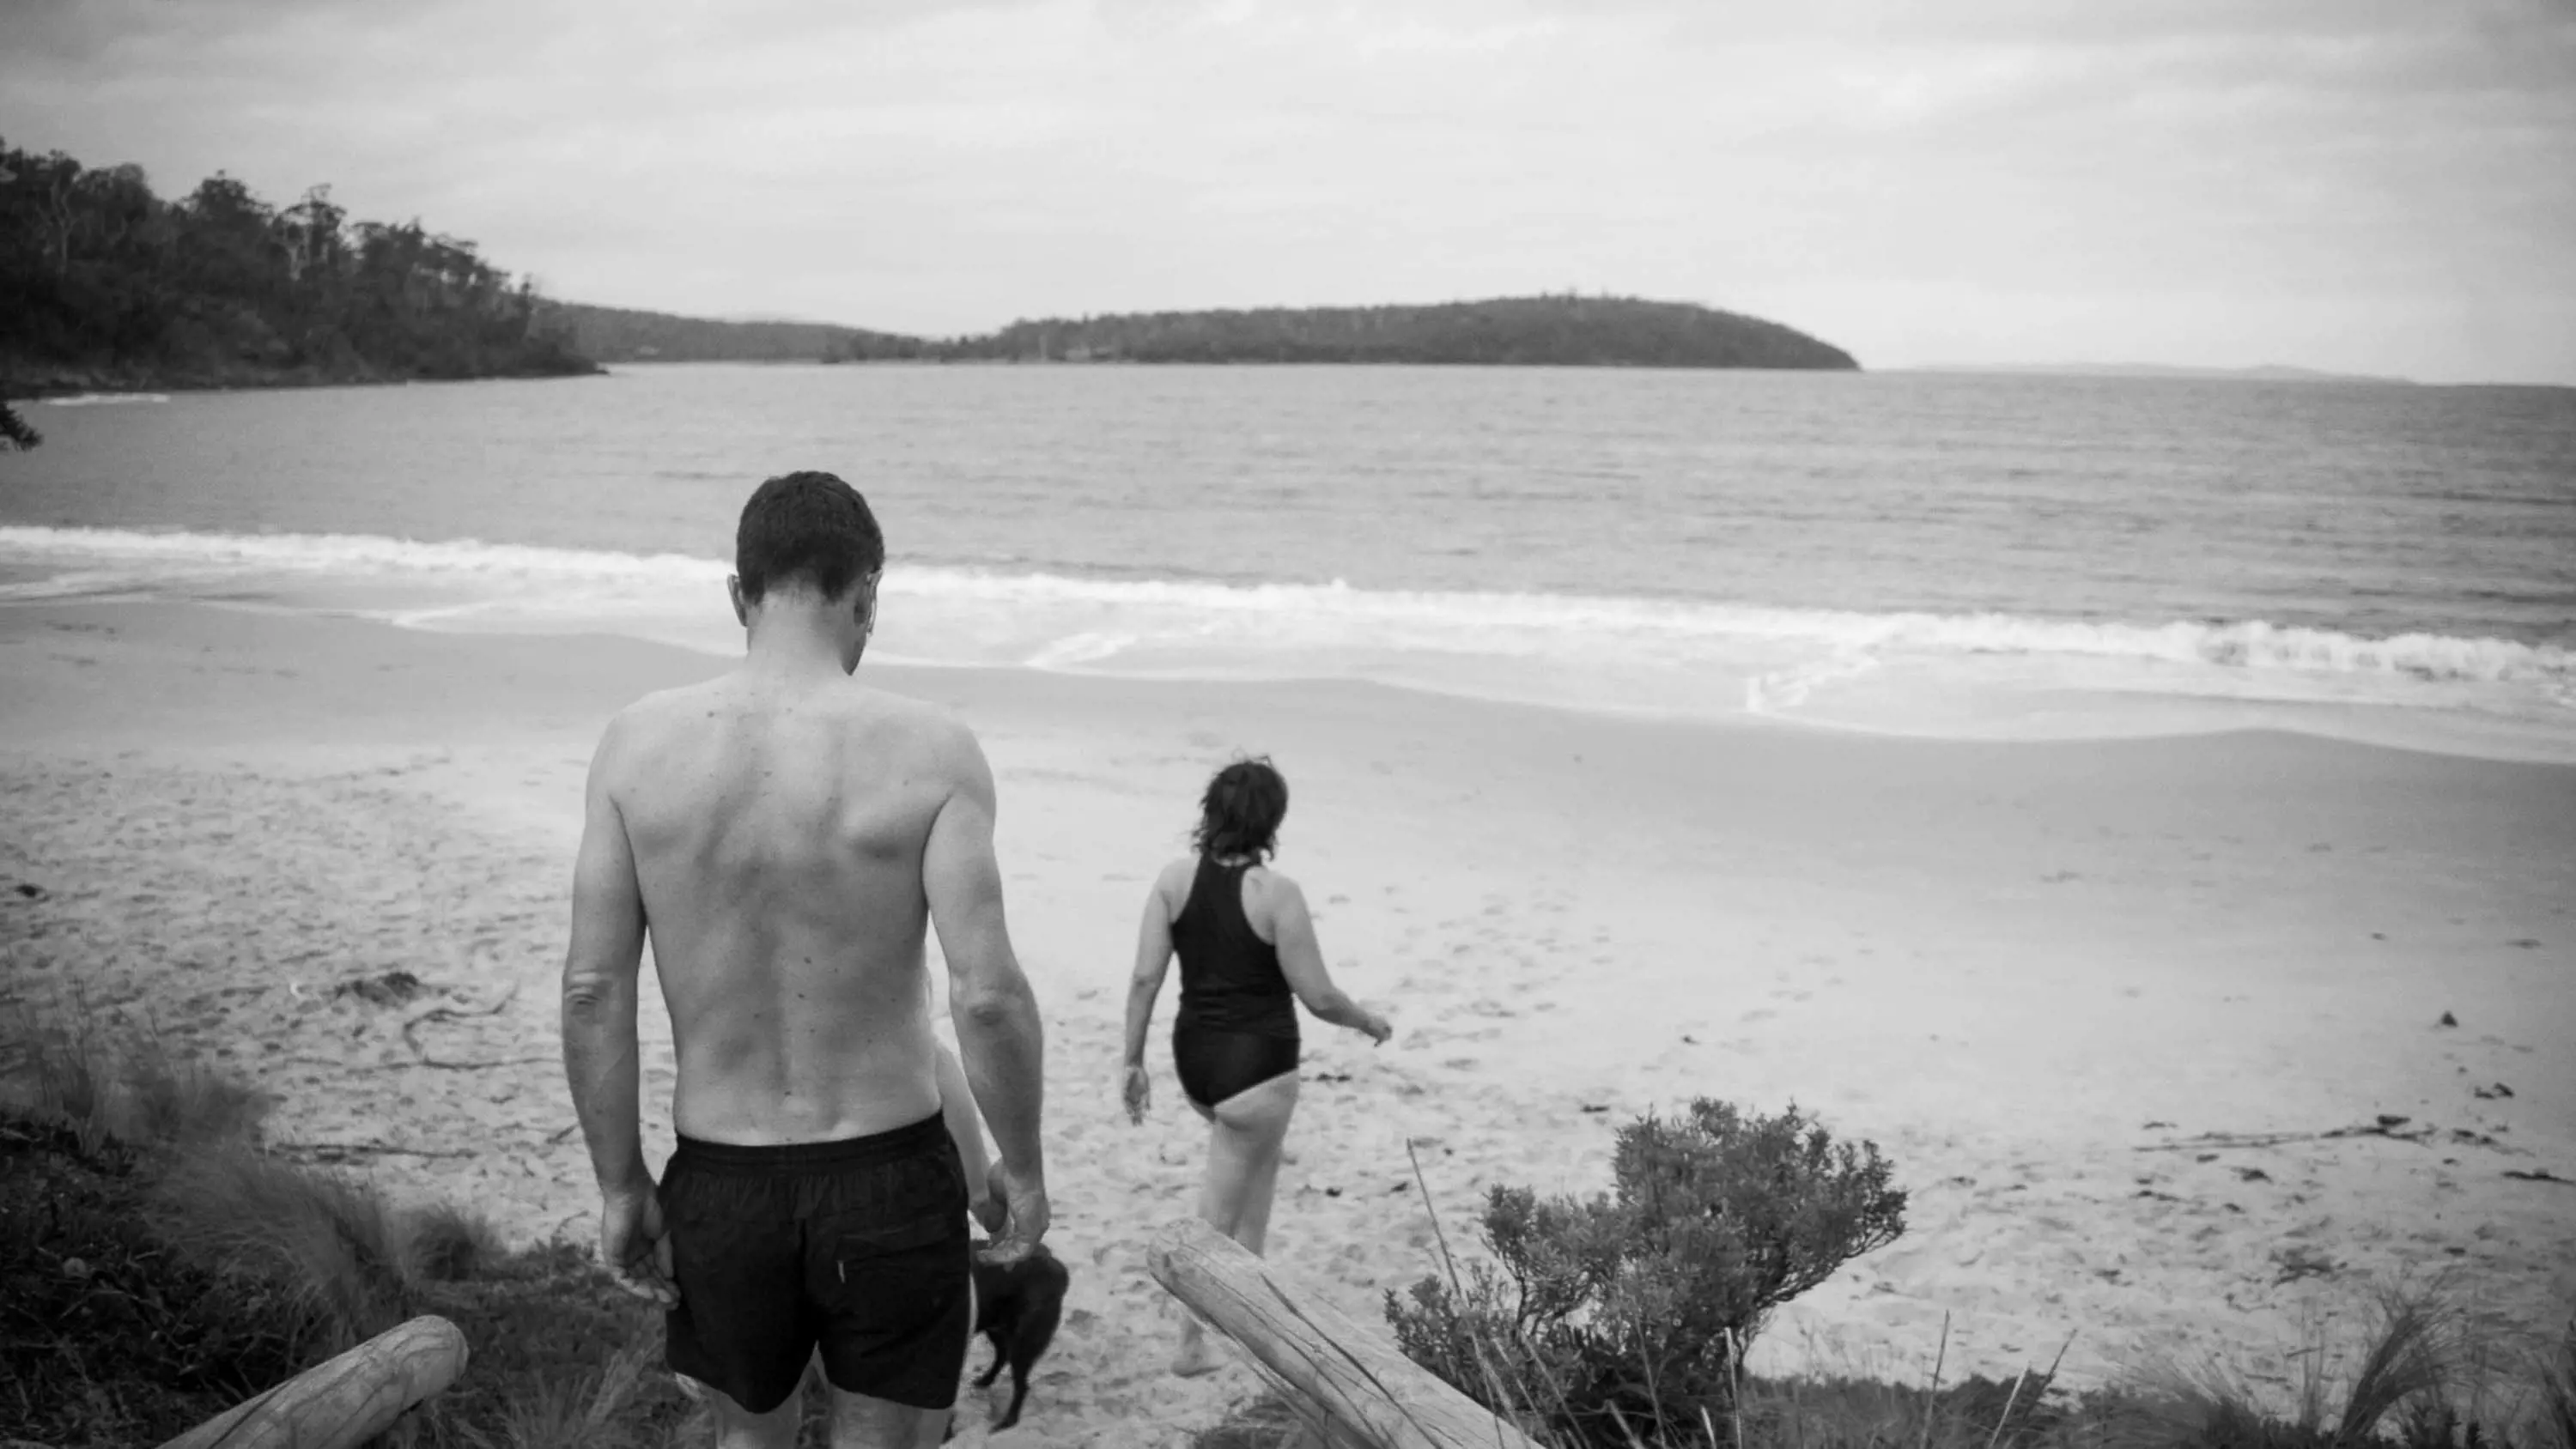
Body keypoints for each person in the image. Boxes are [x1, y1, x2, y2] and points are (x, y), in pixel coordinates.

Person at [561, 470, 1048, 1449]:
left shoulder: (635, 746)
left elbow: (592, 989)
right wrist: (1021, 1169)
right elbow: (986, 996)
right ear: (868, 593)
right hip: (890, 1176)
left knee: (751, 1438)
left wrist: (621, 1183)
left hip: (722, 1179)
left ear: (738, 595)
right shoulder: (933, 750)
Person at [1121, 756, 1392, 1376]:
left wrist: (1132, 1062)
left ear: (1210, 812)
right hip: (1260, 1072)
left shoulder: (1173, 880)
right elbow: (1319, 996)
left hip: (1197, 1067)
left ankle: (1252, 1313)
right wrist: (1367, 1021)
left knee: (1253, 1175)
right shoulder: (1278, 894)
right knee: (1219, 1211)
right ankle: (1189, 1344)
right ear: (1271, 821)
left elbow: (1144, 978)